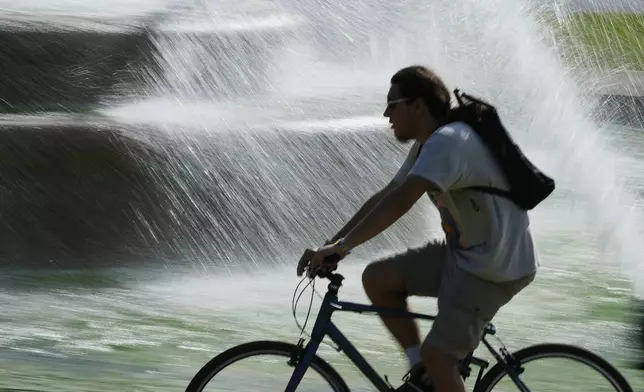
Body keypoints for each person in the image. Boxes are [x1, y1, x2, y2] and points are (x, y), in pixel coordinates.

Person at [297, 65, 539, 392]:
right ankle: (422, 373)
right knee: (378, 279)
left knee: (439, 355)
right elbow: (387, 195)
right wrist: (332, 244)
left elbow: (402, 202)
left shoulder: (448, 142)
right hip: (465, 256)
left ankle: (434, 368)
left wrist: (342, 249)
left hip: (494, 266)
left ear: (418, 107)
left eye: (393, 104)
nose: (386, 114)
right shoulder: (427, 144)